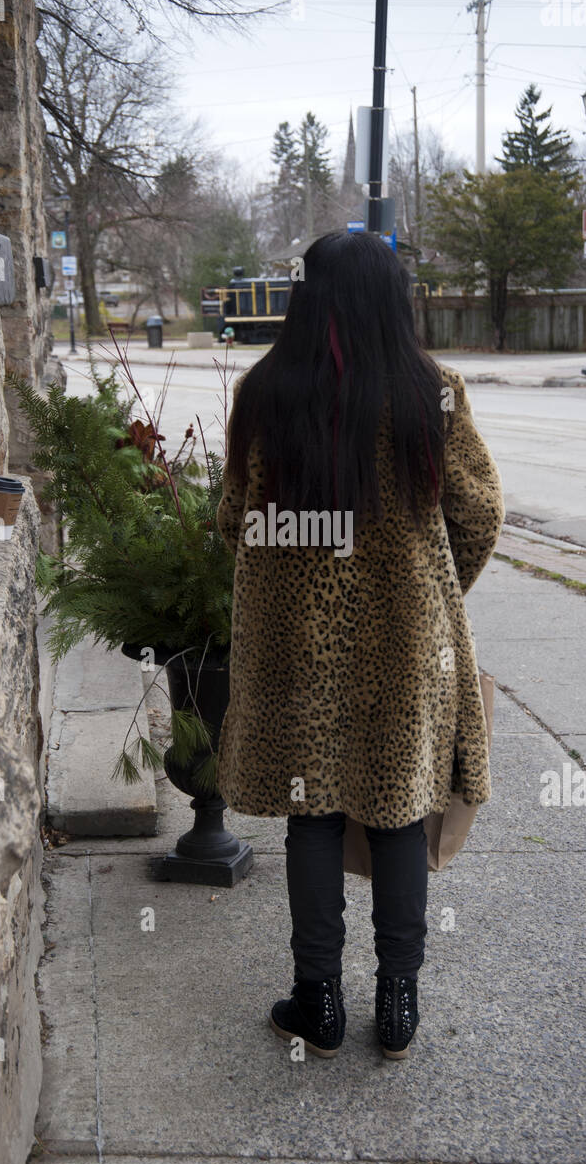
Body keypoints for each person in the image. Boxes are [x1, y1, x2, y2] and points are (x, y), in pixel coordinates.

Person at [215, 230, 504, 1060]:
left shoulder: (266, 391)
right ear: (394, 298)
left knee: (311, 815)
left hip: (294, 651)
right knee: (398, 812)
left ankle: (319, 1003)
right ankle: (399, 1003)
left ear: (308, 297)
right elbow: (479, 514)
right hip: (406, 642)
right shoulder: (432, 392)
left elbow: (237, 520)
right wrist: (432, 588)